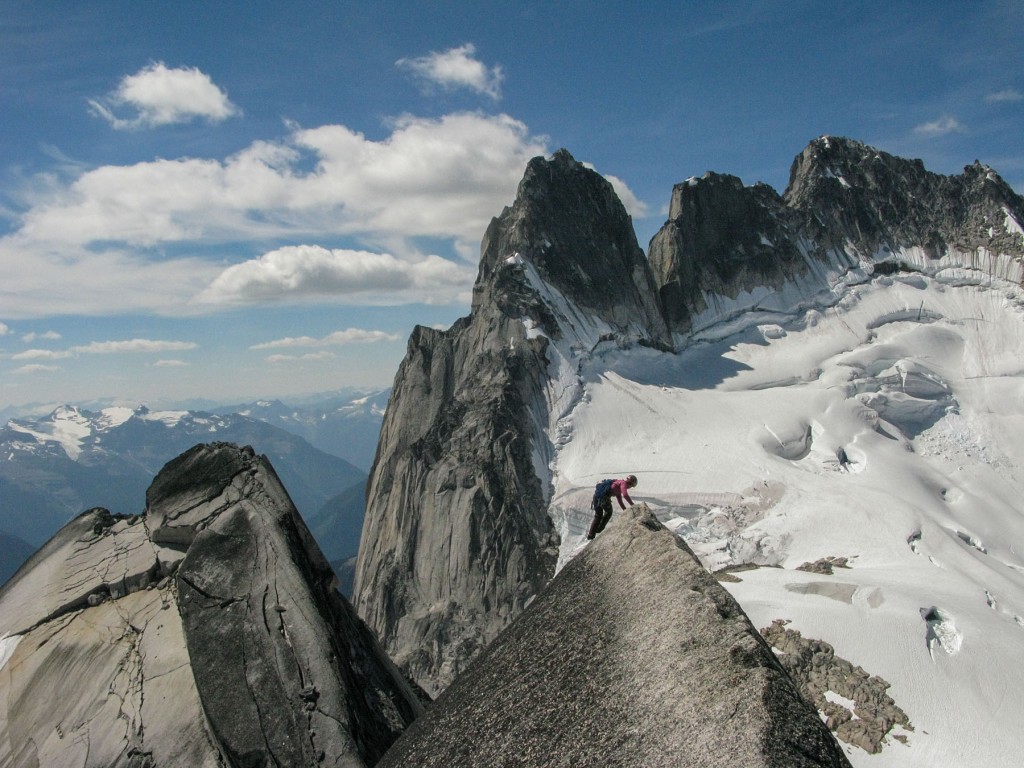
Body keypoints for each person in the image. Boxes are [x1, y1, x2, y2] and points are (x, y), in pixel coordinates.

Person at [586, 475, 637, 539]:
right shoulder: (623, 484)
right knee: (609, 512)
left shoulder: (618, 483)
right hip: (604, 498)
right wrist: (633, 505)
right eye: (631, 486)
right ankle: (599, 529)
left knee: (598, 515)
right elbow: (625, 495)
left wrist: (624, 509)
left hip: (596, 496)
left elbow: (620, 500)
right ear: (630, 483)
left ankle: (591, 535)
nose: (630, 487)